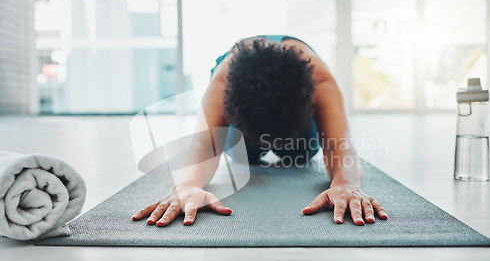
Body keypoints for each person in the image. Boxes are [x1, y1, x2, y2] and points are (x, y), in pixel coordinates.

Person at [132, 35, 387, 227]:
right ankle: (249, 141)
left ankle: (287, 140)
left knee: (297, 154)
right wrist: (186, 184)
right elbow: (205, 144)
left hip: (297, 130)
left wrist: (346, 183)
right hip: (245, 126)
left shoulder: (321, 79)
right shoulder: (225, 80)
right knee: (245, 152)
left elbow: (338, 144)